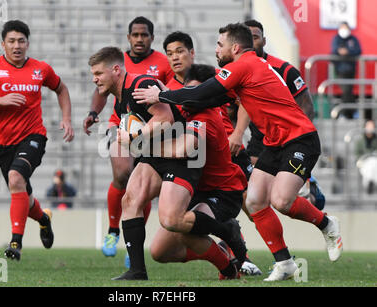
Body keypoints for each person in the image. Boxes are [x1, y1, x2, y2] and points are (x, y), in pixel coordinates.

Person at [133, 23, 343, 281]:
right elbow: (210, 99)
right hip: (275, 142)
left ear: (234, 47)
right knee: (255, 201)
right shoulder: (246, 69)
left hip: (300, 139)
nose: (216, 49)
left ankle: (327, 224)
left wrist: (162, 96)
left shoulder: (242, 65)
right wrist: (172, 98)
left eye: (219, 45)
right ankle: (285, 262)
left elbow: (203, 91)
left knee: (281, 201)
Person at [0, 20, 75, 260]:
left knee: (16, 179)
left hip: (34, 136)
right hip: (4, 143)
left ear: (28, 43)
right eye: (11, 41)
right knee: (21, 194)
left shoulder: (41, 69)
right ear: (3, 44)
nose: (17, 46)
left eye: (21, 41)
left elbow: (61, 89)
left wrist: (67, 119)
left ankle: (15, 244)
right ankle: (44, 219)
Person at [163, 31, 260, 276]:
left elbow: (245, 98)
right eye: (170, 53)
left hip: (225, 169)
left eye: (180, 51)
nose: (175, 57)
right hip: (198, 181)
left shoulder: (210, 91)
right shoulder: (172, 91)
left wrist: (238, 133)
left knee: (255, 203)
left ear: (192, 53)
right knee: (160, 251)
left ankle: (239, 250)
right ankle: (223, 245)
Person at [82, 16, 173, 259]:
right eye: (136, 35)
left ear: (152, 38)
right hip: (121, 124)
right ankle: (113, 230)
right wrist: (93, 112)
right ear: (129, 38)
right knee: (123, 173)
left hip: (152, 128)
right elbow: (101, 90)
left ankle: (134, 238)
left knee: (141, 184)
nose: (140, 39)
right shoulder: (115, 62)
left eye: (144, 35)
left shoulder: (163, 63)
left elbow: (171, 95)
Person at [149, 64, 250, 280]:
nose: (191, 98)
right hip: (197, 190)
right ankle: (218, 250)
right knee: (160, 252)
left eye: (197, 92)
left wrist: (138, 143)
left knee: (185, 230)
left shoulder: (207, 118)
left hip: (222, 193)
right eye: (189, 92)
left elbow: (184, 149)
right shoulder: (186, 109)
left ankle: (228, 257)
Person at [240, 19, 325, 211]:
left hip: (287, 137)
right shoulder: (238, 70)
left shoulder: (283, 69)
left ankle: (307, 183)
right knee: (253, 198)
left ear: (264, 40)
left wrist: (294, 137)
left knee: (279, 199)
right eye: (248, 38)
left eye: (256, 37)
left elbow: (307, 107)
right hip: (260, 136)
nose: (252, 43)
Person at [331, 21, 362, 119]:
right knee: (346, 91)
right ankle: (349, 113)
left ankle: (348, 113)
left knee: (348, 91)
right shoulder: (336, 39)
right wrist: (340, 52)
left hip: (351, 70)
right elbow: (334, 50)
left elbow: (358, 51)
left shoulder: (353, 39)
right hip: (340, 70)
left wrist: (348, 52)